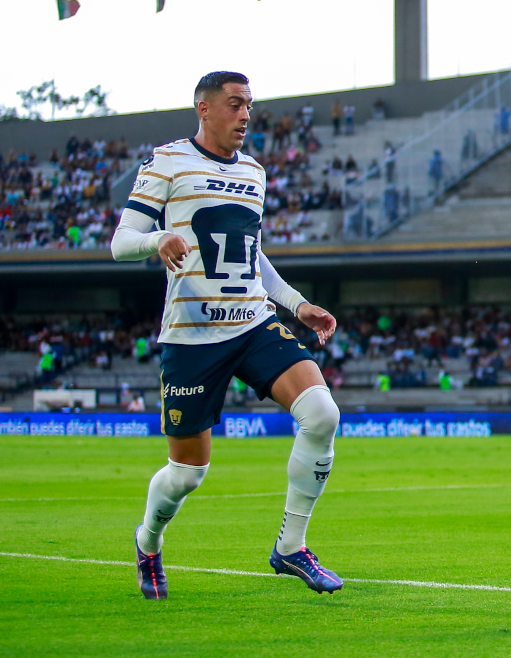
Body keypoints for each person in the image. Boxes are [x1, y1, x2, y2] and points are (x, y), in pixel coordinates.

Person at [111, 71, 342, 601]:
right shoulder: (166, 161)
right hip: (192, 336)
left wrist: (296, 303)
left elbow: (250, 252)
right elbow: (121, 241)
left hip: (252, 321)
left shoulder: (255, 173)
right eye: (235, 105)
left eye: (249, 107)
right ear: (204, 108)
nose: (245, 116)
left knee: (322, 413)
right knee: (188, 473)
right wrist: (158, 239)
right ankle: (148, 541)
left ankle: (291, 546)